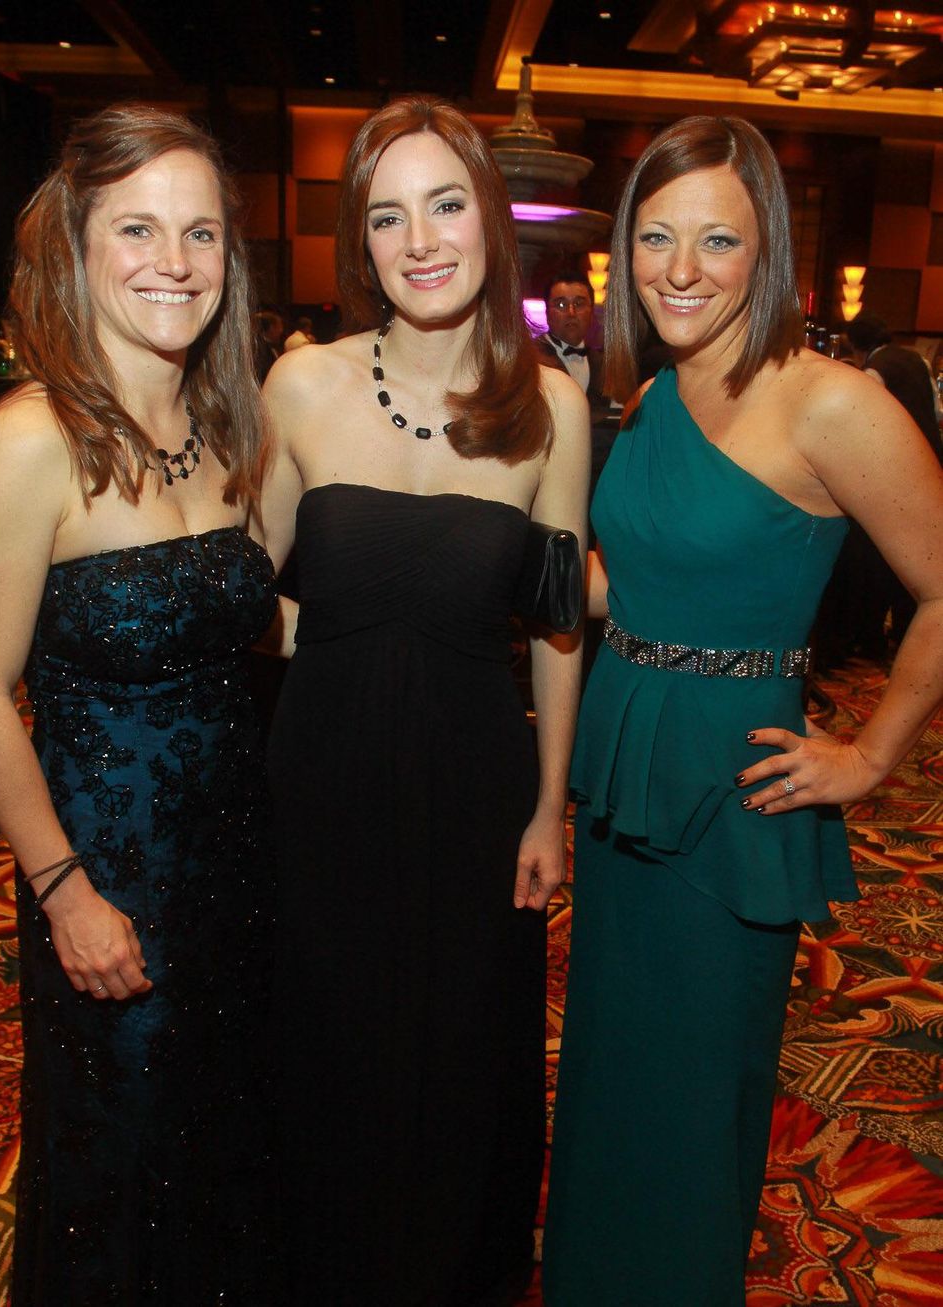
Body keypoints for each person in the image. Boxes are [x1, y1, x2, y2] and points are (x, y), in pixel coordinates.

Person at [541, 115, 943, 1306]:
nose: (679, 269)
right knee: (613, 1069)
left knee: (691, 1087)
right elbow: (635, 582)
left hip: (732, 791)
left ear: (765, 247)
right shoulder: (653, 394)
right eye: (655, 237)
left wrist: (868, 756)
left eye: (715, 239)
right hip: (623, 772)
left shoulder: (828, 402)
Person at [260, 94, 588, 1306]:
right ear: (360, 240)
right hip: (319, 774)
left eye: (444, 204)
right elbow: (243, 588)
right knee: (326, 1041)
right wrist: (332, 642)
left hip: (474, 784)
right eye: (386, 215)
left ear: (490, 219)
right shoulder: (301, 382)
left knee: (459, 1052)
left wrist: (548, 806)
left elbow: (555, 624)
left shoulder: (549, 406)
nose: (420, 240)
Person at [0, 104, 281, 1303]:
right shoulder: (27, 440)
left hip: (237, 870)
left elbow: (247, 628)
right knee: (124, 1161)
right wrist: (64, 893)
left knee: (226, 1146)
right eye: (138, 228)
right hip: (107, 886)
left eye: (200, 233)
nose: (175, 262)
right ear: (76, 245)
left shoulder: (224, 426)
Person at [816, 311, 943, 664]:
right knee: (916, 565)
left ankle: (863, 638)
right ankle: (899, 638)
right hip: (930, 462)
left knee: (877, 562)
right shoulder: (915, 359)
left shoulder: (873, 371)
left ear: (855, 345)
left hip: (892, 471)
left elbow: (857, 425)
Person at [534, 269, 610, 414]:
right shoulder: (529, 358)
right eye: (561, 305)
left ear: (591, 312)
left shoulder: (605, 365)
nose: (571, 313)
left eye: (579, 304)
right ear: (547, 313)